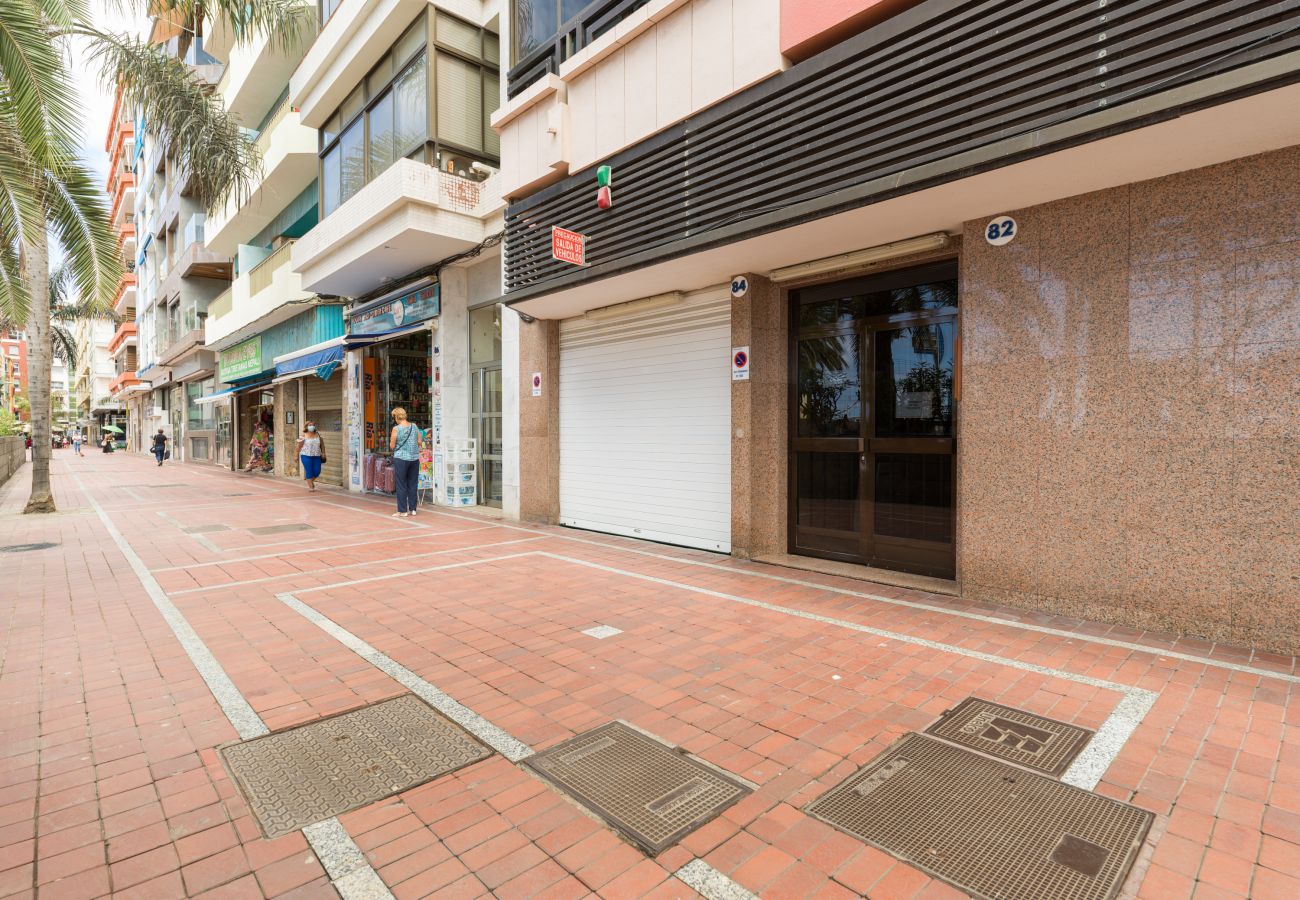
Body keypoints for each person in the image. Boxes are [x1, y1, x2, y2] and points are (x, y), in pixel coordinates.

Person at [388, 407, 423, 517]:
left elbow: (392, 446)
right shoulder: (414, 426)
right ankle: (413, 509)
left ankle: (402, 510)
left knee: (401, 484)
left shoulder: (396, 429)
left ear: (397, 417)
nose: (394, 420)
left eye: (394, 417)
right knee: (413, 483)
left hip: (401, 459)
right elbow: (419, 441)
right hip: (414, 459)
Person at [295, 421, 326, 492]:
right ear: (306, 426)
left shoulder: (318, 434)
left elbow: (322, 445)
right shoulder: (303, 435)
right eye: (310, 425)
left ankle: (310, 480)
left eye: (313, 425)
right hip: (306, 456)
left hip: (317, 456)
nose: (312, 426)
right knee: (309, 471)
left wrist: (323, 453)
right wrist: (296, 456)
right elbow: (298, 446)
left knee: (317, 471)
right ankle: (311, 486)